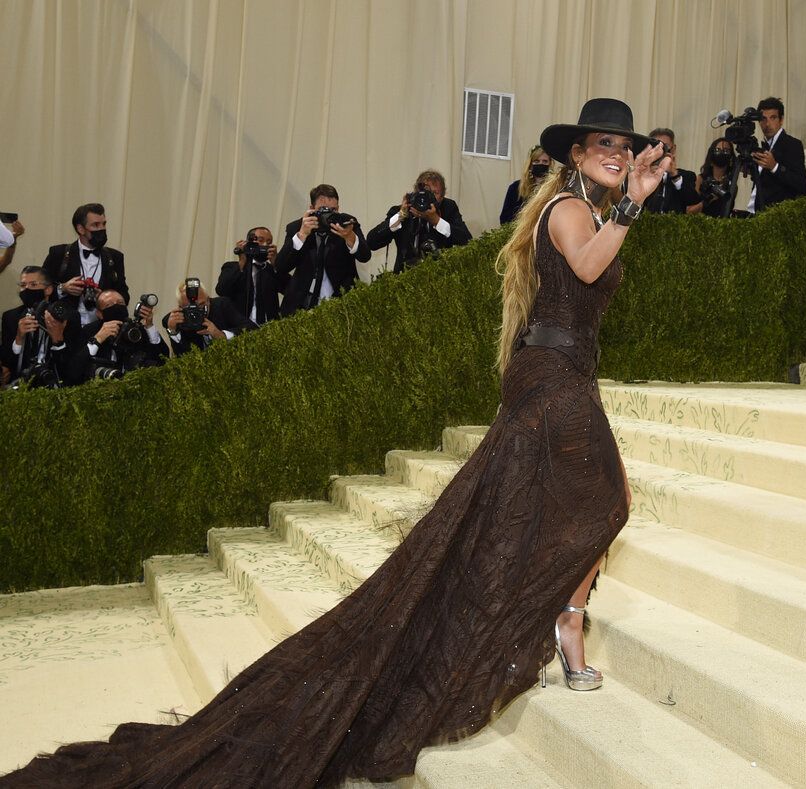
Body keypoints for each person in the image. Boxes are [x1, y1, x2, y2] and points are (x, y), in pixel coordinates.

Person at [0, 97, 669, 787]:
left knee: (554, 509)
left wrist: (631, 204)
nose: (617, 155)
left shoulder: (593, 209)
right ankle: (564, 617)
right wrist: (632, 205)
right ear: (577, 155)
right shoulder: (567, 210)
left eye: (625, 146)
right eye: (602, 144)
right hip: (553, 376)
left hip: (562, 373)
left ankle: (563, 613)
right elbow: (588, 268)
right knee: (601, 500)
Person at [275, 184, 371, 317]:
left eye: (333, 210)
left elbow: (365, 256)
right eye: (323, 210)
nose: (328, 214)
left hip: (342, 302)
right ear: (311, 209)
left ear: (338, 208)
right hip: (302, 303)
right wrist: (301, 235)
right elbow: (281, 267)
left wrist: (349, 237)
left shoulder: (346, 223)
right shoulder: (296, 227)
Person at [366, 170, 472, 274]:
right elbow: (372, 242)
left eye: (435, 193)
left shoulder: (448, 208)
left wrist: (436, 221)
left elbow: (466, 239)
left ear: (442, 197)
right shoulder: (403, 210)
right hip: (404, 278)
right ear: (416, 192)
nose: (428, 197)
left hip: (440, 278)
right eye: (426, 193)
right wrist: (400, 217)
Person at [42, 203, 130, 326]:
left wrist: (105, 297)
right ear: (81, 229)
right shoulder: (58, 254)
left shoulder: (115, 257)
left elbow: (124, 295)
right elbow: (41, 290)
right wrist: (63, 289)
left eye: (104, 224)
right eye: (95, 225)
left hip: (101, 328)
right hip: (65, 327)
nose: (101, 229)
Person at [0, 266, 79, 388]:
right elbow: (7, 365)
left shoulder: (68, 317)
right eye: (23, 285)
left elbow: (72, 367)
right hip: (20, 385)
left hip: (54, 384)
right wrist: (19, 339)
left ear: (48, 289)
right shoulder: (11, 317)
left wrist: (58, 339)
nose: (26, 289)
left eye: (33, 285)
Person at [73, 289, 167, 381]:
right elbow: (74, 371)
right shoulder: (90, 331)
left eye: (120, 303)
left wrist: (149, 326)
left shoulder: (136, 329)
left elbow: (163, 360)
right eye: (109, 305)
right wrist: (97, 339)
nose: (116, 307)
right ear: (99, 314)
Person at [215, 226, 287, 329]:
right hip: (241, 329)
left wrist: (276, 264)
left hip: (269, 330)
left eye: (269, 242)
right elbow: (221, 290)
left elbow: (291, 290)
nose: (265, 245)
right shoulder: (232, 266)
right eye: (261, 240)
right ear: (249, 243)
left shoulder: (272, 270)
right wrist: (242, 262)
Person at [748, 97, 806, 213]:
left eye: (773, 118)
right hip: (758, 214)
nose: (767, 123)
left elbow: (801, 184)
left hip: (779, 217)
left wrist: (774, 167)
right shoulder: (761, 147)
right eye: (763, 119)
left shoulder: (792, 144)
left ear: (781, 120)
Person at [163, 280, 245, 356]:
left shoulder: (222, 306)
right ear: (180, 307)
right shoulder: (175, 320)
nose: (197, 311)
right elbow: (182, 358)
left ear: (208, 300)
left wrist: (222, 335)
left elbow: (252, 329)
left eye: (201, 305)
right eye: (190, 308)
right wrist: (173, 332)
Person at [643, 127, 702, 215]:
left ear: (673, 149)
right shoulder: (642, 175)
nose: (661, 152)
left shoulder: (687, 176)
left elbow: (693, 202)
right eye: (657, 147)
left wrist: (674, 175)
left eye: (665, 147)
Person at [499, 145, 552, 224]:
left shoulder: (554, 189)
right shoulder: (515, 188)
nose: (541, 164)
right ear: (530, 165)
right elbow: (504, 218)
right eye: (536, 161)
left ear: (549, 164)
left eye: (545, 161)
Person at [694, 137, 736, 218]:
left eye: (726, 150)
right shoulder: (701, 179)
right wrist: (707, 201)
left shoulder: (731, 182)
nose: (722, 153)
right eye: (718, 150)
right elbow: (690, 210)